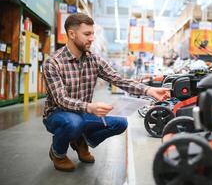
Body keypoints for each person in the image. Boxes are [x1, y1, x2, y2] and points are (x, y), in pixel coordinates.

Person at [43, 13, 170, 172]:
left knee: (120, 123)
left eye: (92, 34)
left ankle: (80, 140)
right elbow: (60, 99)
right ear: (71, 34)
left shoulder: (94, 60)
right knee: (73, 123)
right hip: (58, 114)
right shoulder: (53, 63)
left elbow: (118, 79)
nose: (91, 38)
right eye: (87, 34)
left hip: (83, 114)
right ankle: (58, 153)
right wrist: (90, 107)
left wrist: (149, 90)